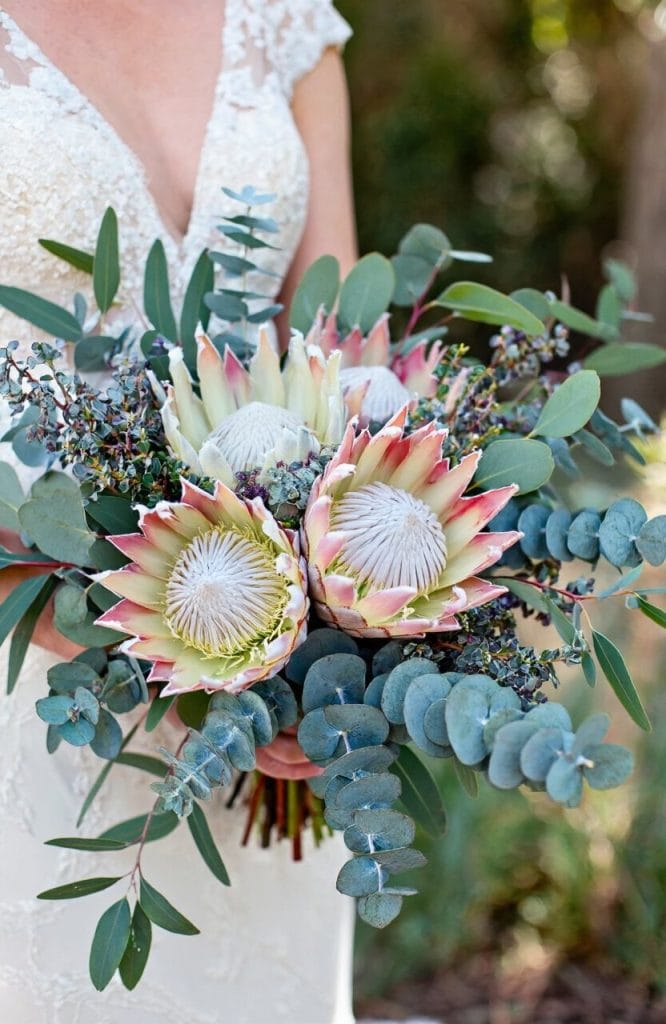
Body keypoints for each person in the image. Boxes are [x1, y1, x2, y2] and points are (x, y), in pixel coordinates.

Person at [0, 2, 359, 1021]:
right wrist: (158, 648)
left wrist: (341, 638)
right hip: (32, 667)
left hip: (268, 711)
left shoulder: (285, 23)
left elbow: (339, 344)